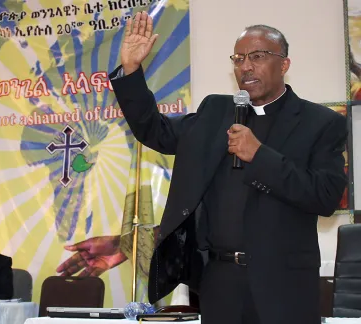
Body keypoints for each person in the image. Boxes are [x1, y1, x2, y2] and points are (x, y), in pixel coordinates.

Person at [108, 12, 348, 324]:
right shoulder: (216, 112)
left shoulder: (321, 123)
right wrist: (131, 70)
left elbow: (326, 196)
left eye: (257, 56)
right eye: (238, 58)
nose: (245, 66)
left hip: (284, 286)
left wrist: (260, 156)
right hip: (219, 283)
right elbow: (154, 130)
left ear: (284, 64)